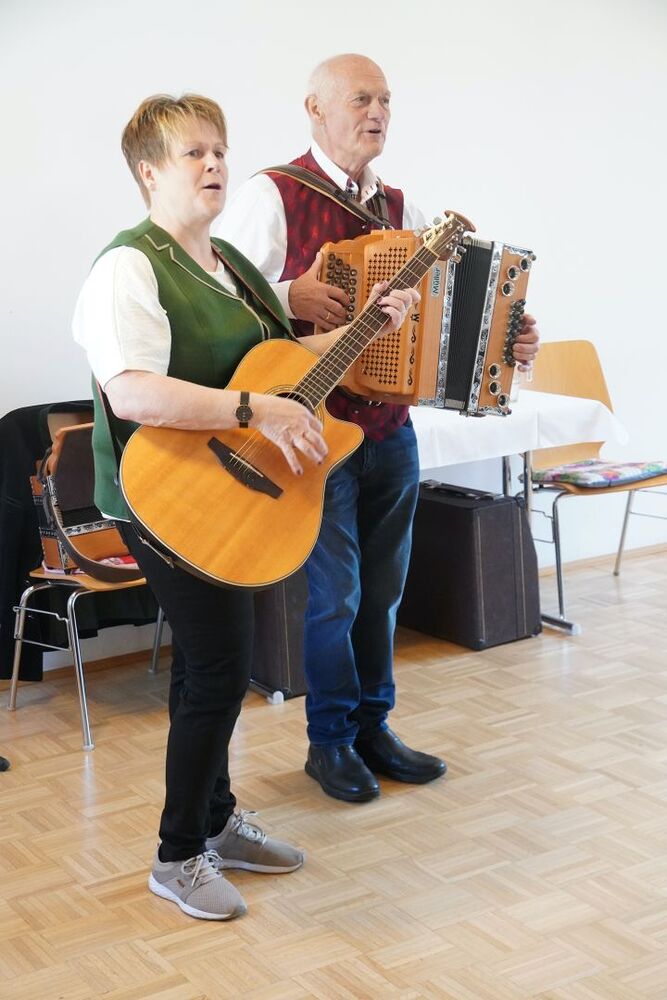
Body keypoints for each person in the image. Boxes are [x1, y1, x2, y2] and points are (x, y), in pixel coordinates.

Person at [72, 93, 418, 919]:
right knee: (220, 668)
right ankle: (177, 856)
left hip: (219, 493)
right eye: (193, 153)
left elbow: (282, 360)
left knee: (212, 666)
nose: (214, 164)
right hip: (158, 495)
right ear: (148, 172)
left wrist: (370, 326)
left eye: (220, 150)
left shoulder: (227, 261)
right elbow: (132, 392)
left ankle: (217, 824)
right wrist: (252, 412)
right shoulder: (129, 265)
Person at [217, 54, 540, 803]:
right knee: (336, 596)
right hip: (314, 431)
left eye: (386, 100)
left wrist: (509, 339)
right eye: (361, 98)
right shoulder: (271, 195)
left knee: (385, 591)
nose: (378, 112)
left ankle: (373, 728)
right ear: (315, 108)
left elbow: (447, 319)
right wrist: (289, 295)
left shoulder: (403, 209)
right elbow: (222, 303)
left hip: (391, 431)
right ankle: (328, 742)